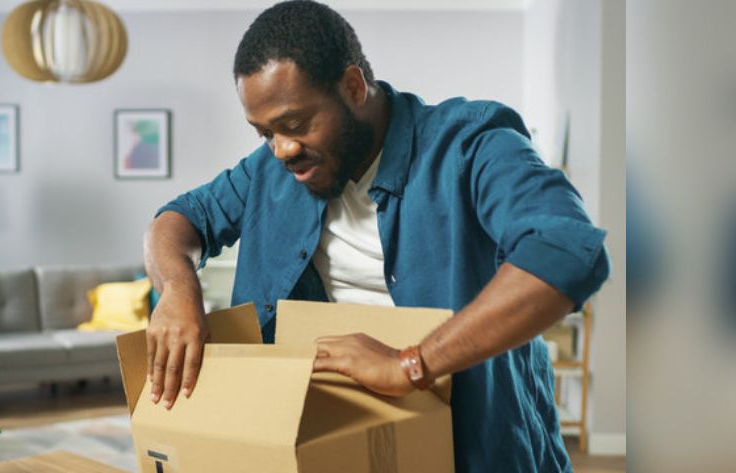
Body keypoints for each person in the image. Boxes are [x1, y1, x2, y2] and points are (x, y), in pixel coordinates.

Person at [142, 1, 610, 471]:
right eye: (264, 133)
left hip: (474, 438)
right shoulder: (271, 169)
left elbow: (567, 252)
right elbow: (179, 219)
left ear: (353, 87)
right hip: (330, 435)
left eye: (295, 125)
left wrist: (412, 363)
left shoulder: (470, 144)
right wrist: (178, 290)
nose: (282, 149)